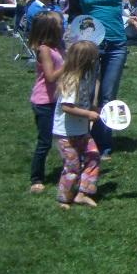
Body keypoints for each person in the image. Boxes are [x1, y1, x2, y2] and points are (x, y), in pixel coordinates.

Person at [49, 0, 137, 158]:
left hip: (116, 43)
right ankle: (82, 137)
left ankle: (103, 143)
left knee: (107, 94)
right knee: (85, 94)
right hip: (90, 45)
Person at [52, 40, 101, 209]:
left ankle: (82, 193)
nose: (95, 62)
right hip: (66, 133)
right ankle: (64, 198)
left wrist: (93, 108)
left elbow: (84, 101)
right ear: (85, 60)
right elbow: (67, 107)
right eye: (93, 59)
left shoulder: (85, 78)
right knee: (72, 166)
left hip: (81, 130)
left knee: (93, 156)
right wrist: (88, 114)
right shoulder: (71, 80)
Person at [28, 11, 64, 193]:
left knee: (63, 137)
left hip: (55, 99)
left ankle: (69, 170)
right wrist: (68, 64)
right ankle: (36, 178)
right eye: (60, 24)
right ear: (50, 29)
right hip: (43, 101)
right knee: (45, 142)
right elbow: (50, 77)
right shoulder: (44, 50)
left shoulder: (56, 47)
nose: (63, 26)